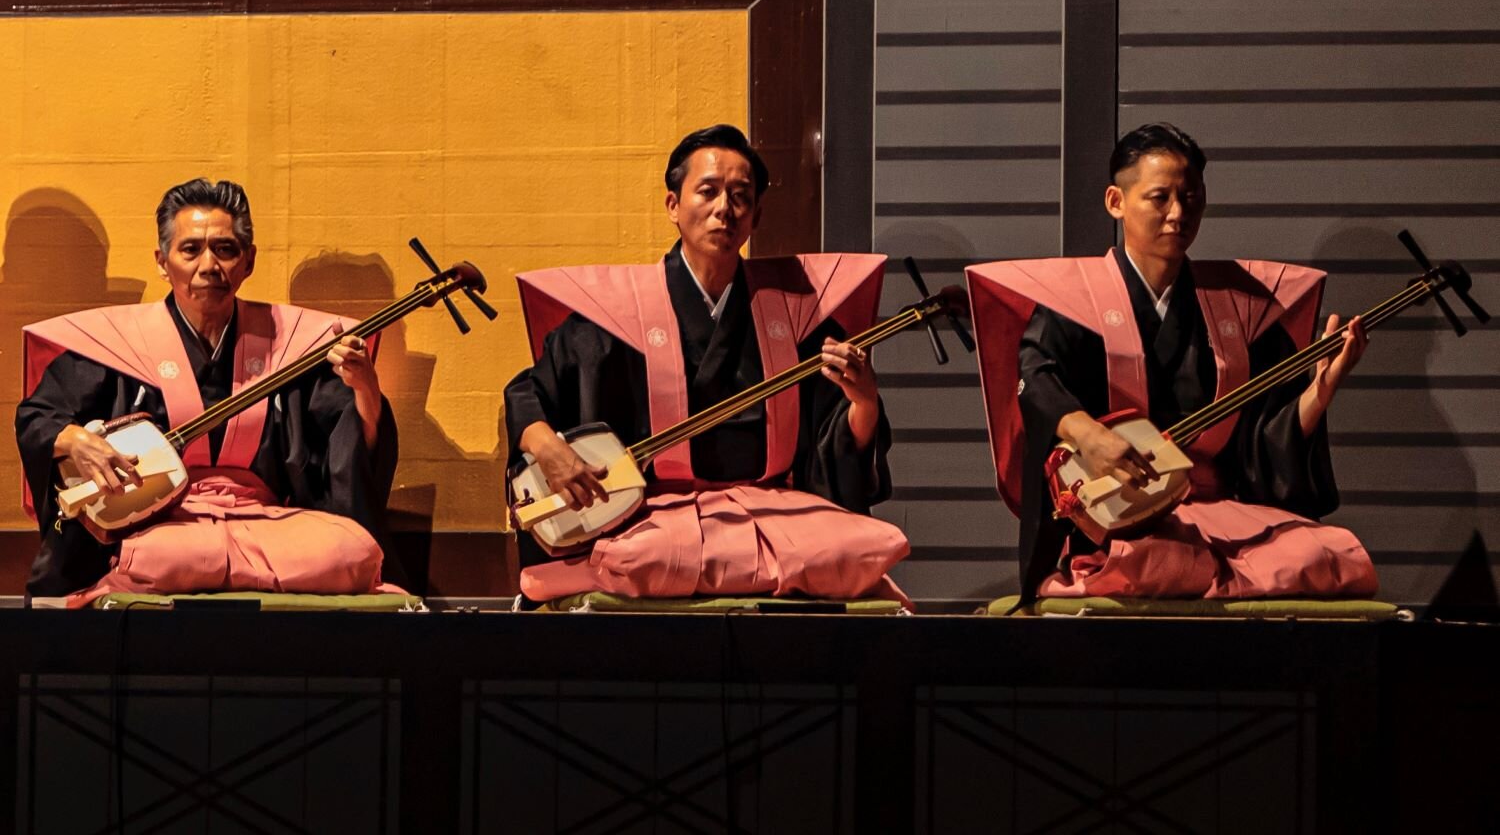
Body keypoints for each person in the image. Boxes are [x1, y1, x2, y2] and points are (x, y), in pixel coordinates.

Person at [967, 123, 1377, 602]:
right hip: (1121, 510)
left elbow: (1264, 443)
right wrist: (1090, 436)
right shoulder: (1074, 299)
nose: (1178, 213)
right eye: (1160, 198)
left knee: (1327, 556)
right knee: (1151, 561)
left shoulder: (1232, 305)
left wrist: (1319, 393)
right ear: (1116, 202)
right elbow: (1036, 377)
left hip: (1218, 507)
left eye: (1191, 197)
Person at [504, 124, 910, 604]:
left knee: (862, 548)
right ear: (672, 205)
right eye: (708, 191)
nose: (724, 209)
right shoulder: (621, 311)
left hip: (774, 510)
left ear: (756, 215)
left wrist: (864, 402)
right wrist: (549, 449)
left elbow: (835, 443)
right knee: (640, 558)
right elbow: (529, 392)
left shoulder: (791, 312)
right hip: (655, 515)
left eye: (740, 197)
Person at [17, 179, 399, 605]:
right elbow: (39, 417)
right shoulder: (118, 342)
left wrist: (365, 389)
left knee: (350, 550)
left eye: (225, 249)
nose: (209, 265)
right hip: (159, 520)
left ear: (248, 261)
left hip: (267, 522)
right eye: (190, 250)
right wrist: (75, 440)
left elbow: (347, 451)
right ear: (162, 262)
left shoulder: (292, 345)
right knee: (157, 554)